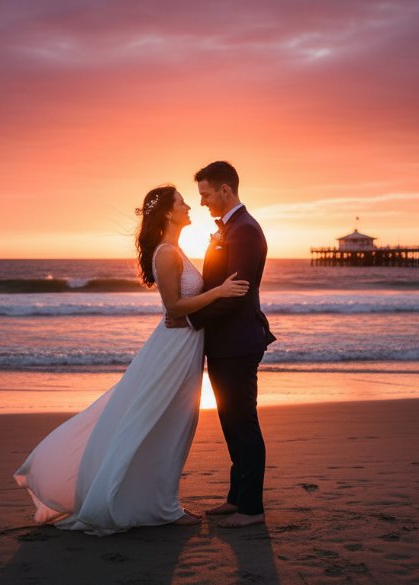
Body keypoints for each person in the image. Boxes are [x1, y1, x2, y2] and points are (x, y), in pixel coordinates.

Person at [14, 185, 249, 536]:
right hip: (174, 346)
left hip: (184, 344)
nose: (189, 206)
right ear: (169, 213)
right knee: (164, 421)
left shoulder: (176, 249)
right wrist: (219, 292)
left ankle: (156, 502)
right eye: (182, 202)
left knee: (172, 423)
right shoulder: (166, 253)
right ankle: (161, 507)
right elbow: (173, 307)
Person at [168, 161, 276, 528]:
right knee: (231, 422)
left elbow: (236, 295)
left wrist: (189, 318)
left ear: (225, 190)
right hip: (224, 342)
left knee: (243, 422)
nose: (202, 202)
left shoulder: (244, 231)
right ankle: (236, 498)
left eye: (205, 194)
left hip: (239, 342)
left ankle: (252, 509)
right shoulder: (228, 229)